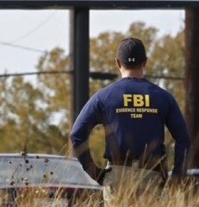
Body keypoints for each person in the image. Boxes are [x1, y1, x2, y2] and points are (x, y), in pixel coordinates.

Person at [70, 37, 191, 192]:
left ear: (118, 63)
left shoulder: (104, 96)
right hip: (152, 176)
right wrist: (177, 176)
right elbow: (183, 139)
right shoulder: (163, 97)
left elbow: (77, 134)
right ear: (145, 62)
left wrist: (94, 172)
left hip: (116, 177)